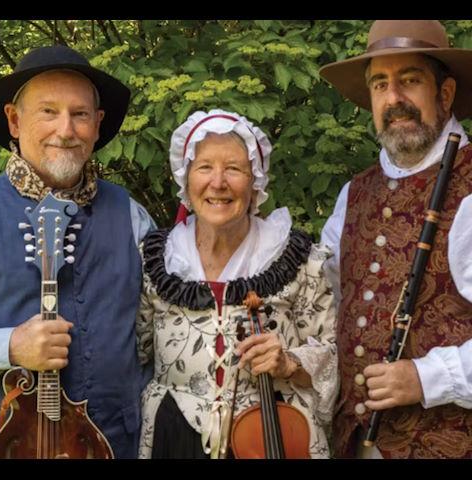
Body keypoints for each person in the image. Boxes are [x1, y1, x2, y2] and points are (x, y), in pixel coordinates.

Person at [136, 108, 338, 459]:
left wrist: (290, 362)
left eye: (233, 168)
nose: (218, 182)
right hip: (174, 436)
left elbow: (335, 354)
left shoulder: (297, 257)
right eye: (204, 167)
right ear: (185, 179)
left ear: (255, 179)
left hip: (271, 438)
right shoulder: (156, 259)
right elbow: (133, 355)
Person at [0, 45, 155, 458]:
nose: (65, 130)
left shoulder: (132, 215)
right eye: (48, 111)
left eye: (80, 114)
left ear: (97, 125)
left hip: (116, 444)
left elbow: (162, 335)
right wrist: (8, 346)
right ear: (14, 120)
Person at [319, 20, 472, 459]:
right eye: (380, 84)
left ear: (444, 94)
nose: (394, 99)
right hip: (355, 442)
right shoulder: (355, 193)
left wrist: (427, 378)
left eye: (410, 80)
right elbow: (325, 304)